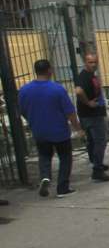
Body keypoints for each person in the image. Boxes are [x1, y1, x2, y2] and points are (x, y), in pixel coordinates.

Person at [18, 59, 82, 198]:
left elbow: (22, 110)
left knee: (44, 155)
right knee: (65, 157)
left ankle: (45, 176)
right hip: (59, 130)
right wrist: (77, 128)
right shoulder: (57, 89)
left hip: (39, 130)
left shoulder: (24, 90)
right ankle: (62, 188)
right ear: (49, 70)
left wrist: (32, 120)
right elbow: (70, 112)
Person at [74, 52, 109, 183]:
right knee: (100, 141)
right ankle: (97, 169)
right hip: (91, 115)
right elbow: (79, 91)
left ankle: (97, 163)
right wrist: (88, 103)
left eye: (95, 62)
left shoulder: (91, 76)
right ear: (85, 62)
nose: (93, 65)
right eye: (90, 62)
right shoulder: (84, 76)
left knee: (92, 141)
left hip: (92, 114)